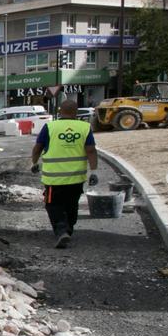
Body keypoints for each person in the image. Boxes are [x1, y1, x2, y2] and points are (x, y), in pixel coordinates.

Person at [31, 100, 98, 248]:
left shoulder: (50, 126)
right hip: (76, 178)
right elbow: (91, 150)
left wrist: (34, 163)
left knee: (53, 205)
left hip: (53, 179)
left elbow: (37, 148)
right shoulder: (84, 127)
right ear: (76, 112)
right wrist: (94, 172)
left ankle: (61, 231)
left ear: (60, 111)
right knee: (71, 204)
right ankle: (69, 229)